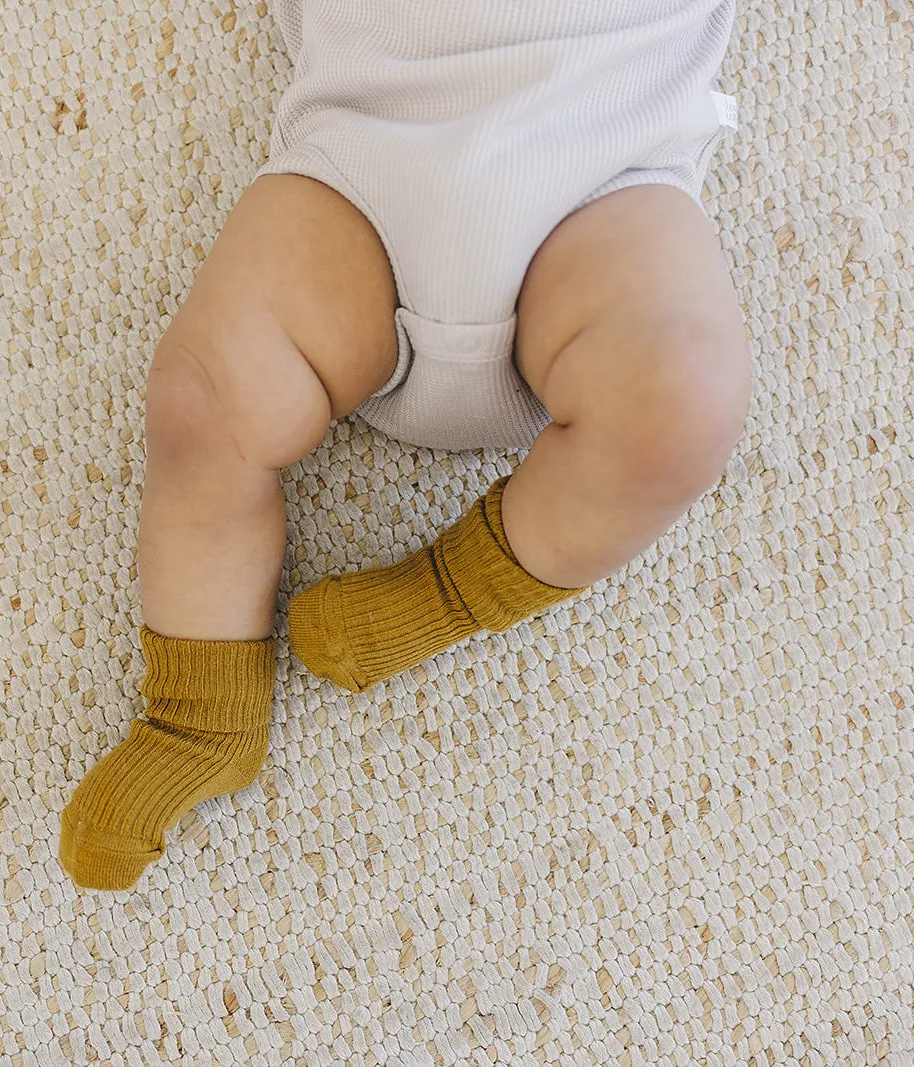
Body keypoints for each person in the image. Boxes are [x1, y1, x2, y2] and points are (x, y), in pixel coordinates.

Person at [60, 0, 751, 890]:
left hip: (603, 167)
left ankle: (453, 590)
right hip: (364, 163)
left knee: (682, 401)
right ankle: (202, 710)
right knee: (204, 397)